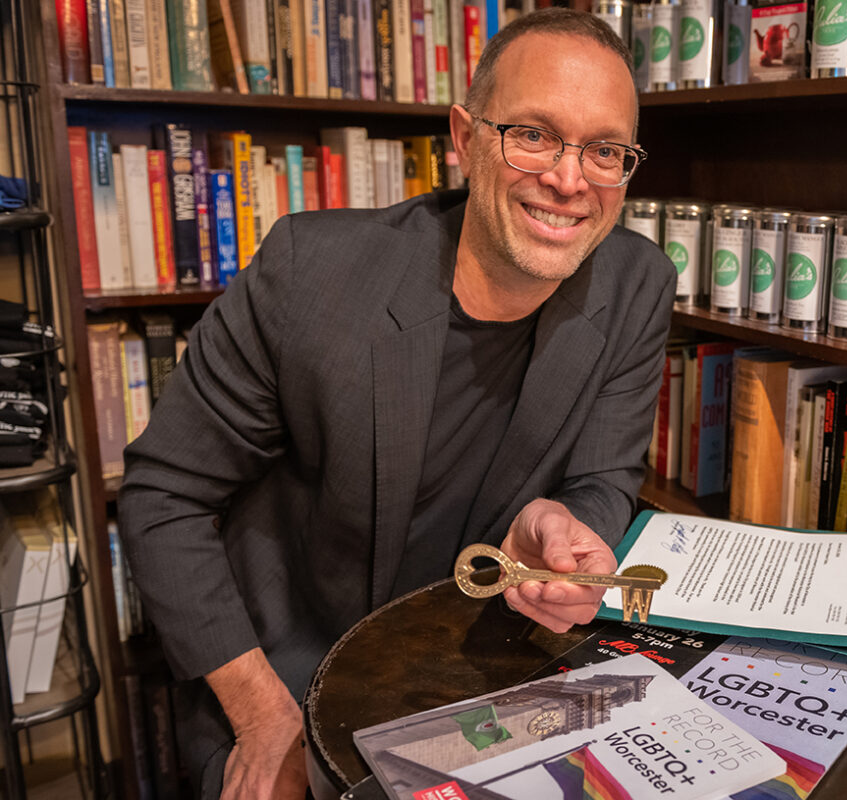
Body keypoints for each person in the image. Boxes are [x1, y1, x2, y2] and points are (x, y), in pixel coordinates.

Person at [118, 9, 675, 799]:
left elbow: (607, 477)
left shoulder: (636, 284)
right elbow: (161, 497)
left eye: (605, 150)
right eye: (535, 135)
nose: (570, 179)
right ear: (466, 136)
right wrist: (260, 715)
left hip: (491, 679)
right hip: (289, 679)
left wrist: (564, 521)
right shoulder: (310, 272)